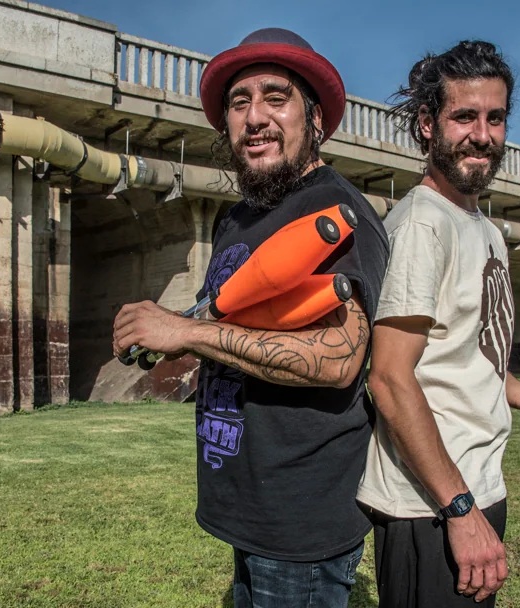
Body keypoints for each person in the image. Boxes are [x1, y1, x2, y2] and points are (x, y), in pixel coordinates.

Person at [112, 28, 389, 608]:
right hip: (245, 500)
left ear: (315, 119)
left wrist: (187, 332)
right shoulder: (236, 219)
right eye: (240, 103)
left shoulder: (333, 209)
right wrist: (176, 337)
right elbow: (237, 322)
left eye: (276, 97)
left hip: (300, 518)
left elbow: (341, 360)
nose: (255, 116)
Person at [356, 40, 520, 607]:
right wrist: (459, 509)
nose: (482, 135)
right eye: (464, 116)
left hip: (476, 482)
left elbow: (471, 354)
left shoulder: (483, 228)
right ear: (426, 124)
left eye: (496, 118)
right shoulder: (421, 224)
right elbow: (389, 378)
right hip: (431, 502)